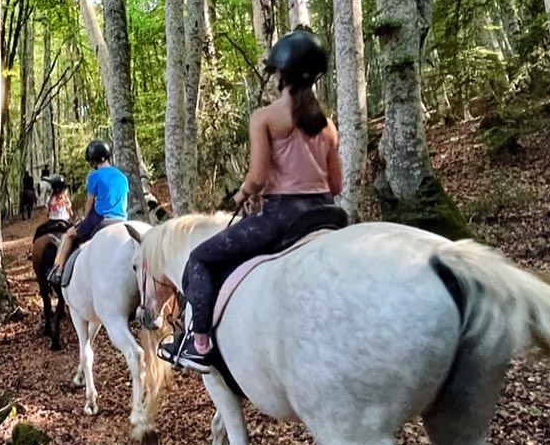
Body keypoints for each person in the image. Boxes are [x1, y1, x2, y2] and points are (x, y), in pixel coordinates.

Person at [160, 29, 342, 372]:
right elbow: (336, 183)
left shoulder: (265, 118)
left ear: (281, 75)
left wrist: (242, 194)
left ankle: (199, 343)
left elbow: (258, 177)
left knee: (199, 259)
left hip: (283, 217)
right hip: (328, 214)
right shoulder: (329, 127)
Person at [48, 139, 130, 285]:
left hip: (101, 219)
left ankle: (58, 271)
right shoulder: (122, 177)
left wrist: (86, 219)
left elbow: (89, 203)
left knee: (69, 234)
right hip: (122, 219)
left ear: (93, 161)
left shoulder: (94, 177)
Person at [31, 176, 72, 242]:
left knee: (38, 230)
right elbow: (71, 213)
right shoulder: (66, 199)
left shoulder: (50, 199)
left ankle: (34, 247)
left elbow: (47, 213)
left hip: (52, 222)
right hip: (65, 222)